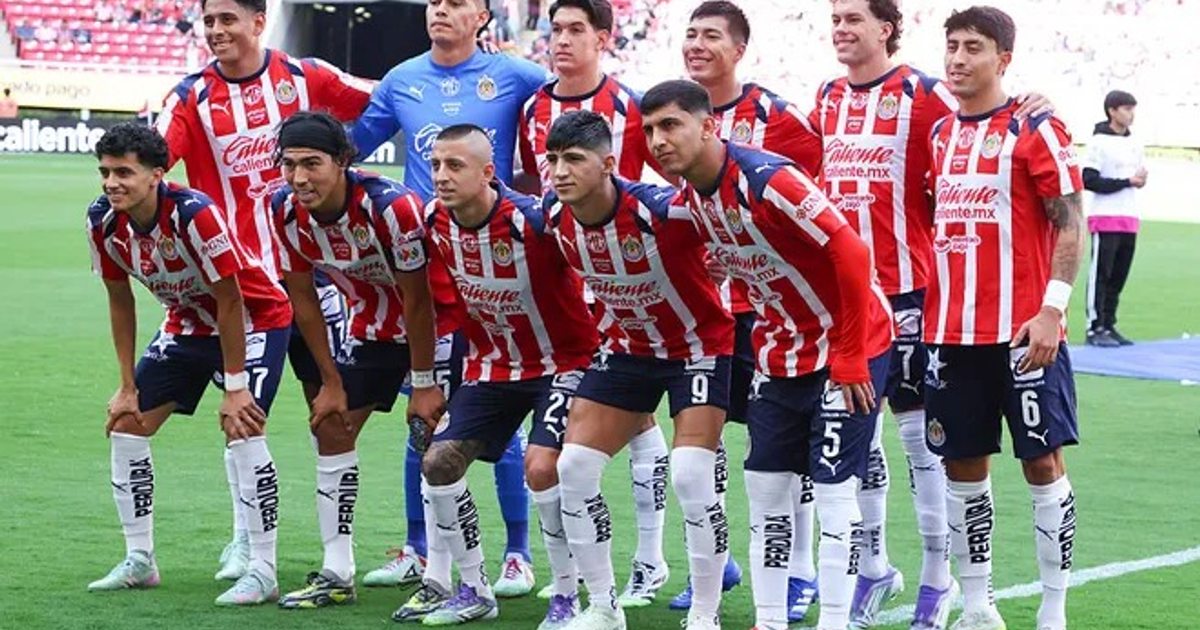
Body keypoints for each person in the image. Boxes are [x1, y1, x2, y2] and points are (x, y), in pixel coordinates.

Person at [812, 3, 1054, 626]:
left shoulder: (925, 94)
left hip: (914, 296)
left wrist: (1035, 104)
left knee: (923, 439)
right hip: (848, 301)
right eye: (833, 18)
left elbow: (982, 139)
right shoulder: (827, 98)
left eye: (852, 18)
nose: (840, 28)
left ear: (886, 28)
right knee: (856, 436)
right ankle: (874, 566)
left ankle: (938, 581)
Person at [641, 79, 896, 630]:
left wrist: (851, 354)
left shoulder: (767, 178)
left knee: (831, 488)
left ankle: (833, 619)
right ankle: (770, 620)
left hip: (849, 345)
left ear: (709, 126)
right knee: (765, 488)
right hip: (781, 351)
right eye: (649, 131)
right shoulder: (692, 199)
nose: (658, 141)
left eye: (670, 125)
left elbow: (851, 251)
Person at [154, 0, 378, 584]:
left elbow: (383, 98)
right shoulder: (190, 97)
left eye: (228, 19)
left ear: (259, 22)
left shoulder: (306, 77)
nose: (217, 31)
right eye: (209, 21)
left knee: (332, 416)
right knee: (243, 416)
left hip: (314, 280)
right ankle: (243, 541)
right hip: (243, 291)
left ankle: (339, 557)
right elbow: (155, 159)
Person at [350, 0, 550, 596]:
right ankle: (419, 547)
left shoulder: (517, 75)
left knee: (503, 414)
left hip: (501, 267)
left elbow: (568, 112)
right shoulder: (402, 79)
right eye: (434, 1)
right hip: (429, 267)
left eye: (456, 2)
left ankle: (518, 554)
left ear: (482, 16)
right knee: (426, 417)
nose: (440, 9)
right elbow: (352, 145)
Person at [84, 122, 293, 606]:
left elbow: (231, 297)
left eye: (124, 173)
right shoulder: (102, 222)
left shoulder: (194, 214)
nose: (112, 183)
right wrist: (125, 385)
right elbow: (120, 300)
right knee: (126, 424)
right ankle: (140, 560)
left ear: (157, 174)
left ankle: (263, 568)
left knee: (243, 427)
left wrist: (235, 385)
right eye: (105, 172)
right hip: (185, 323)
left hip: (254, 318)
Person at [546, 109, 734, 630]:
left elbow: (732, 230)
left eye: (574, 160)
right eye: (553, 160)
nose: (561, 171)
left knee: (693, 475)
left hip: (697, 347)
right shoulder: (551, 217)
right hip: (627, 350)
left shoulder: (664, 211)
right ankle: (604, 608)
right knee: (573, 469)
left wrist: (724, 260)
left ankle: (704, 614)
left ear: (608, 163)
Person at [515, 0, 676, 608]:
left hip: (627, 287)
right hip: (567, 291)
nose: (560, 40)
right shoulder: (533, 107)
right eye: (554, 29)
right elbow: (534, 193)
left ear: (604, 39)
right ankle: (634, 566)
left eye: (575, 30)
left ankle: (650, 559)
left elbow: (650, 189)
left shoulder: (631, 109)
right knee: (626, 421)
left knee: (637, 420)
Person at [927, 7, 1082, 630]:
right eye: (953, 47)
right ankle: (976, 605)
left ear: (1004, 60)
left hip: (1024, 333)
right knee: (963, 466)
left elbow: (1069, 221)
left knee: (1042, 464)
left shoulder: (1035, 128)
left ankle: (1053, 609)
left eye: (974, 48)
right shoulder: (941, 135)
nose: (959, 59)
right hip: (949, 333)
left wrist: (1052, 309)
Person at [416, 124, 598, 629]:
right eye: (435, 166)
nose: (442, 177)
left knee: (542, 468)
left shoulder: (535, 220)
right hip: (492, 367)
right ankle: (473, 588)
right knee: (439, 462)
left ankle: (566, 596)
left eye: (455, 166)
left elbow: (595, 262)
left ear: (488, 173)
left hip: (563, 362)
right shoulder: (433, 221)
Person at [677, 1, 825, 618]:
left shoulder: (780, 120)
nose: (697, 45)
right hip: (705, 311)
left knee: (782, 448)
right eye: (690, 35)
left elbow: (812, 215)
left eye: (711, 35)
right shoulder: (668, 117)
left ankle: (799, 570)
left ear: (740, 49)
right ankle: (715, 565)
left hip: (773, 314)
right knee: (701, 441)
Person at [267, 112, 446, 609]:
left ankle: (443, 576)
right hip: (371, 329)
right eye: (289, 164)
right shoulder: (282, 209)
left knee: (435, 444)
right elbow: (302, 297)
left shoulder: (392, 207)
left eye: (312, 164)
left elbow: (419, 300)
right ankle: (337, 570)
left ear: (343, 162)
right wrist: (329, 381)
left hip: (437, 326)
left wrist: (424, 382)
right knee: (330, 424)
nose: (299, 178)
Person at [1083, 89, 1145, 347]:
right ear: (1112, 111)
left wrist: (1137, 181)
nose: (1131, 115)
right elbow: (1089, 179)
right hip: (1105, 216)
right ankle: (1094, 326)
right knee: (1102, 274)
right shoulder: (1099, 142)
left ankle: (1109, 323)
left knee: (1119, 274)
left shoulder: (1135, 143)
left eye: (1133, 109)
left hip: (1128, 215)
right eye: (1126, 109)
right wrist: (1126, 181)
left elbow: (1136, 177)